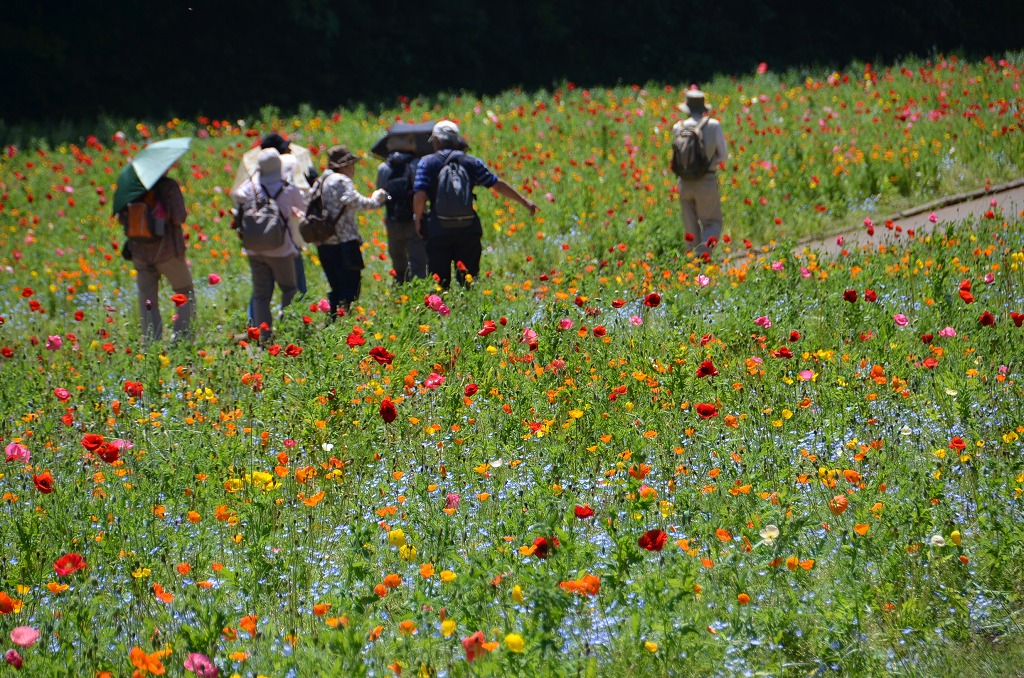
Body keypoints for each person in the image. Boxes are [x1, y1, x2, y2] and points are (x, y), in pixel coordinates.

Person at [413, 120, 538, 289]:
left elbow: (420, 196)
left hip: (438, 230)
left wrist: (418, 220)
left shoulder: (427, 163)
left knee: (439, 283)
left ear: (436, 140)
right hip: (468, 230)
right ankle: (469, 310)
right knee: (469, 281)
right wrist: (525, 201)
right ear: (457, 141)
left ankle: (442, 314)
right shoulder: (471, 162)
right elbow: (497, 184)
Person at [232, 148, 307, 339]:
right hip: (280, 249)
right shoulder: (287, 188)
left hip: (254, 249)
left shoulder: (250, 188)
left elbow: (237, 197)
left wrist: (255, 176)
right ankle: (289, 330)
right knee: (289, 289)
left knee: (260, 295)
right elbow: (303, 207)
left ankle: (264, 336)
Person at [118, 174, 195, 342]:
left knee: (147, 300)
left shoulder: (131, 186)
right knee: (184, 290)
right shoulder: (168, 186)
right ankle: (182, 339)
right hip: (166, 251)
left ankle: (151, 344)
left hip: (139, 252)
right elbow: (179, 216)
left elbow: (121, 219)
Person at [314, 145, 388, 317]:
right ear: (343, 166)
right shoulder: (340, 180)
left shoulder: (320, 181)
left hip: (323, 241)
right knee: (351, 287)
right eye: (351, 164)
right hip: (344, 241)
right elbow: (357, 202)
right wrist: (377, 198)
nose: (353, 168)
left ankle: (334, 318)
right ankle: (343, 319)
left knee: (336, 285)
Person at [673, 89, 728, 258]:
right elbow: (723, 155)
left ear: (687, 108)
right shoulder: (713, 125)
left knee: (690, 228)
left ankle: (691, 264)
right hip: (706, 181)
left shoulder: (678, 127)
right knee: (712, 222)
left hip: (684, 182)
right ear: (704, 108)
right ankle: (703, 258)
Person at [376, 143, 427, 283]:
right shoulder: (416, 164)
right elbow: (422, 193)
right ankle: (420, 292)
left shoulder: (384, 168)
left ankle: (400, 287)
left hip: (393, 220)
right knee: (419, 264)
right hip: (414, 219)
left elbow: (380, 198)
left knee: (398, 261)